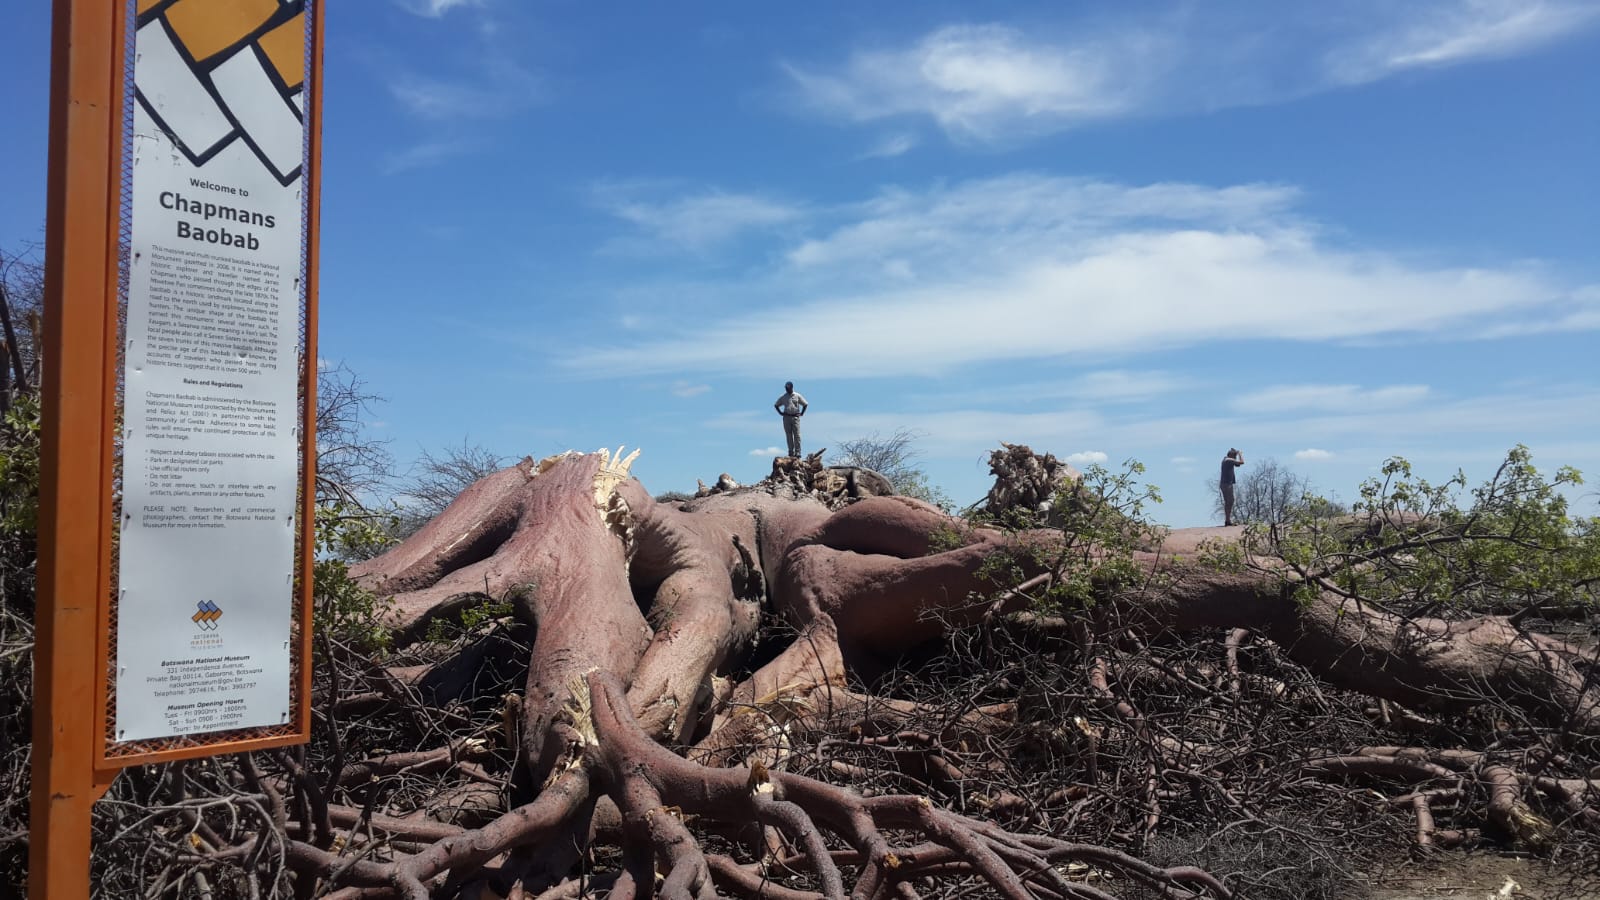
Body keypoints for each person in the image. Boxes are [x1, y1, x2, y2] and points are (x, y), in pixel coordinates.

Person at [773, 381, 808, 457]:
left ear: (792, 387)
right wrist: (780, 413)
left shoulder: (797, 395)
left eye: (788, 388)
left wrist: (802, 413)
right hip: (786, 417)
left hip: (795, 417)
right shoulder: (783, 397)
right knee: (789, 435)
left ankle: (798, 452)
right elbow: (776, 405)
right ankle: (791, 452)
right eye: (786, 388)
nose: (787, 389)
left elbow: (805, 404)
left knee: (797, 435)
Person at [1220, 448, 1245, 526]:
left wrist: (1235, 453)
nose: (1235, 458)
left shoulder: (1227, 460)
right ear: (1231, 455)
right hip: (1226, 484)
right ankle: (1227, 520)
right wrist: (1240, 454)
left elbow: (1238, 465)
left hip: (1226, 484)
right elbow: (1242, 462)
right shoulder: (1228, 460)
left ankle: (1228, 520)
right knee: (1229, 502)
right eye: (1235, 456)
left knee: (1229, 502)